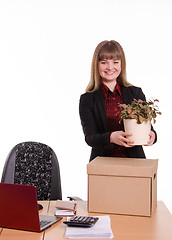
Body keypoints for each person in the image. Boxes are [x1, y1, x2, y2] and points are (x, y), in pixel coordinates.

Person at [79, 40, 157, 162]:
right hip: (102, 164)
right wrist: (111, 137)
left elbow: (145, 125)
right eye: (104, 62)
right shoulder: (88, 99)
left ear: (122, 64)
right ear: (97, 65)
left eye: (115, 62)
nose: (110, 67)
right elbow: (90, 138)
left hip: (135, 163)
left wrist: (152, 134)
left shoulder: (135, 93)